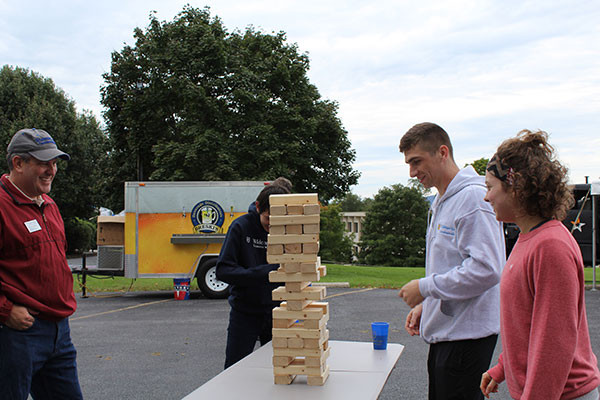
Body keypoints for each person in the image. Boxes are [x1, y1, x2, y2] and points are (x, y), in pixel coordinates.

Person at [481, 130, 600, 400]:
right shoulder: (529, 239)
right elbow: (527, 324)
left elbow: (554, 344)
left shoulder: (550, 246)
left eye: (490, 187)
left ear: (516, 187)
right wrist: (503, 367)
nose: (486, 198)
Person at [397, 122, 505, 400]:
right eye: (409, 163)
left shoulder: (472, 198)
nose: (412, 172)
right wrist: (428, 304)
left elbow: (487, 269)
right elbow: (450, 263)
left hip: (466, 338)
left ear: (442, 152)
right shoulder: (442, 200)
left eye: (417, 161)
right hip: (448, 334)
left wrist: (425, 288)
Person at [0, 128, 83, 399]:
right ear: (18, 163)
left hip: (59, 333)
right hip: (18, 334)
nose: (51, 170)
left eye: (55, 163)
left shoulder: (49, 204)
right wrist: (4, 310)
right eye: (43, 163)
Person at [216, 181, 291, 368]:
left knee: (278, 369)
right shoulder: (240, 227)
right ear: (258, 207)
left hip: (278, 312)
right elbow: (223, 271)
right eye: (267, 219)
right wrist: (263, 273)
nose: (271, 227)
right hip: (245, 312)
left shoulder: (290, 228)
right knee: (234, 369)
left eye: (277, 222)